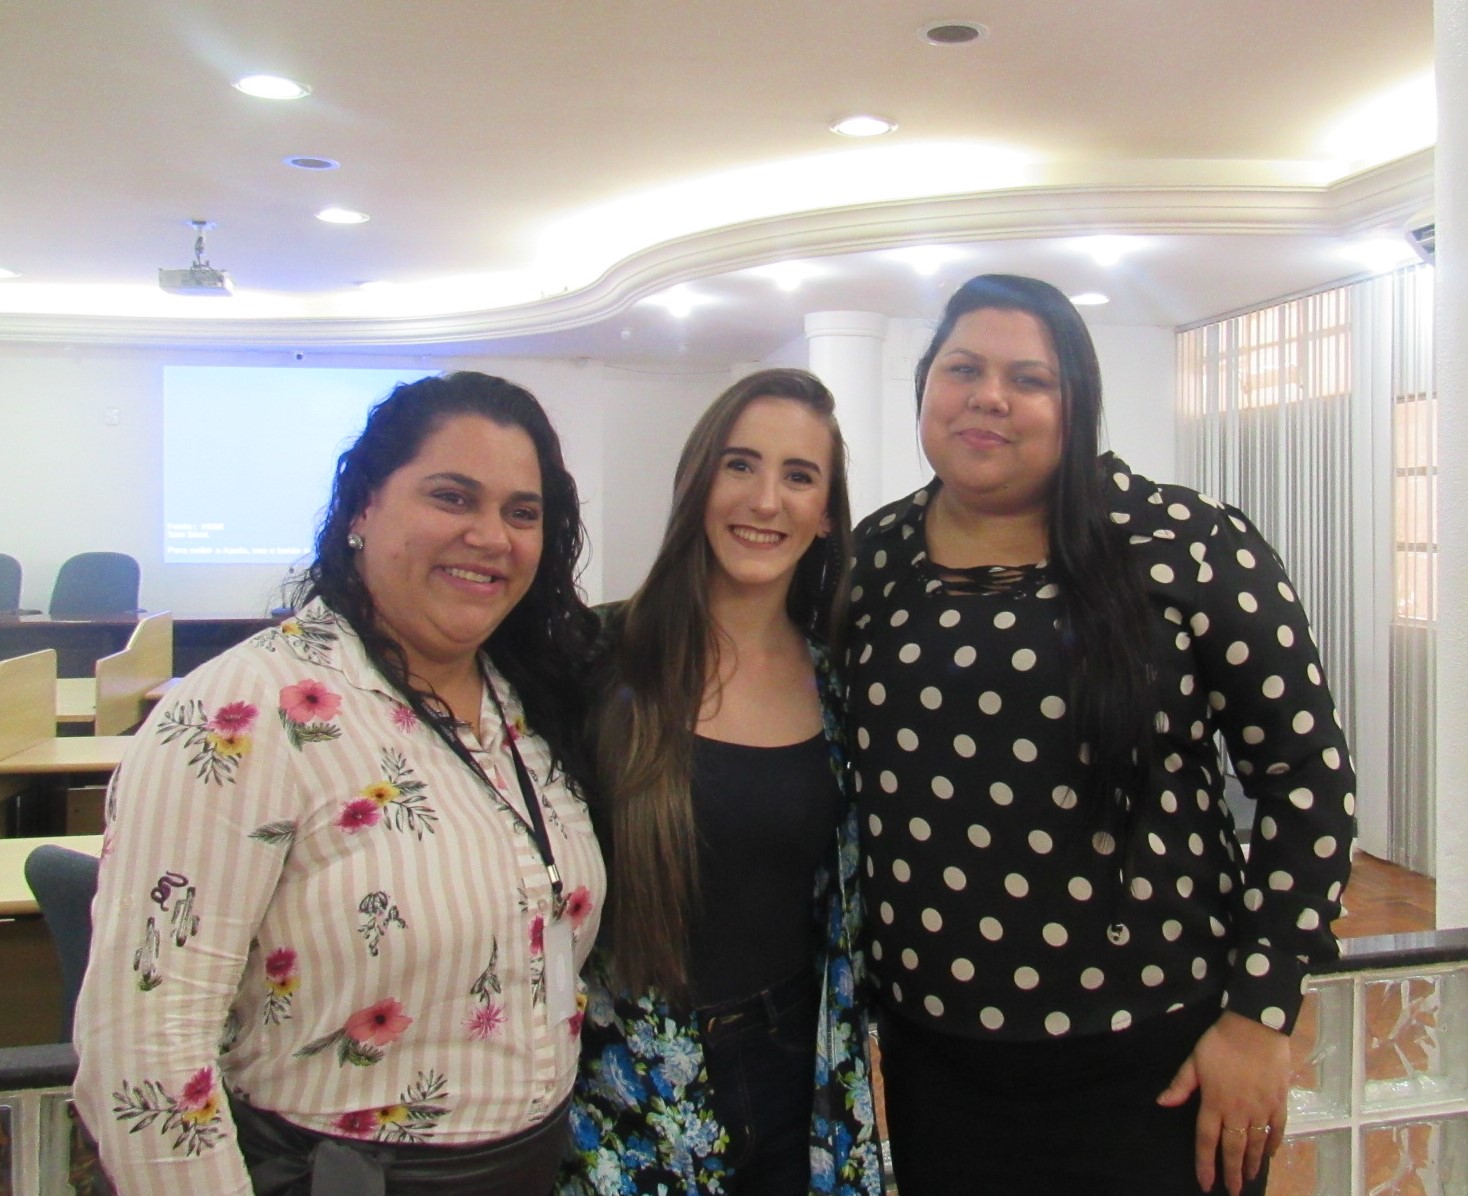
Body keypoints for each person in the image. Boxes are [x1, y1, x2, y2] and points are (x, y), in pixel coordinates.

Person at [845, 275, 1357, 1196]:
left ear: (1076, 406)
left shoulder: (1183, 541)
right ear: (925, 387)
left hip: (1160, 1056)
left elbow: (1306, 776)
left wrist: (1260, 1014)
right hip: (936, 1064)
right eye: (962, 369)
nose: (988, 396)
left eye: (1028, 378)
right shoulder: (869, 563)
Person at [74, 372, 606, 1195]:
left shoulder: (524, 702)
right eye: (452, 497)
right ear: (362, 507)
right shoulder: (247, 711)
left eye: (522, 513)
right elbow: (143, 1049)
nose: (491, 536)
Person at [559, 368, 884, 1195]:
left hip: (798, 1071)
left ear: (826, 514)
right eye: (740, 464)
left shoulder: (841, 684)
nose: (765, 500)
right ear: (698, 481)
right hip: (623, 1082)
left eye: (799, 476)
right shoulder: (596, 659)